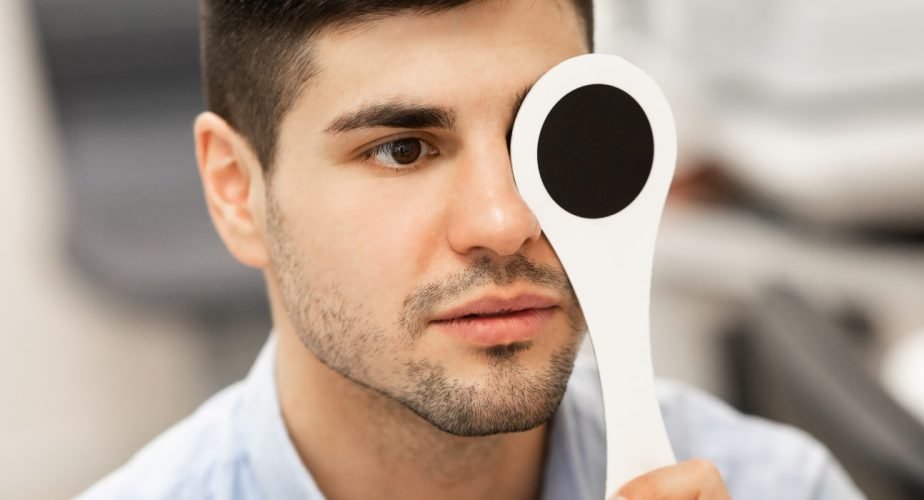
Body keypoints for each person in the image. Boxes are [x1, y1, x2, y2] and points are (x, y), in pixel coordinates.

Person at [81, 1, 863, 498]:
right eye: (402, 150)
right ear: (233, 190)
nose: (504, 219)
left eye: (542, 131)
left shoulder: (781, 485)